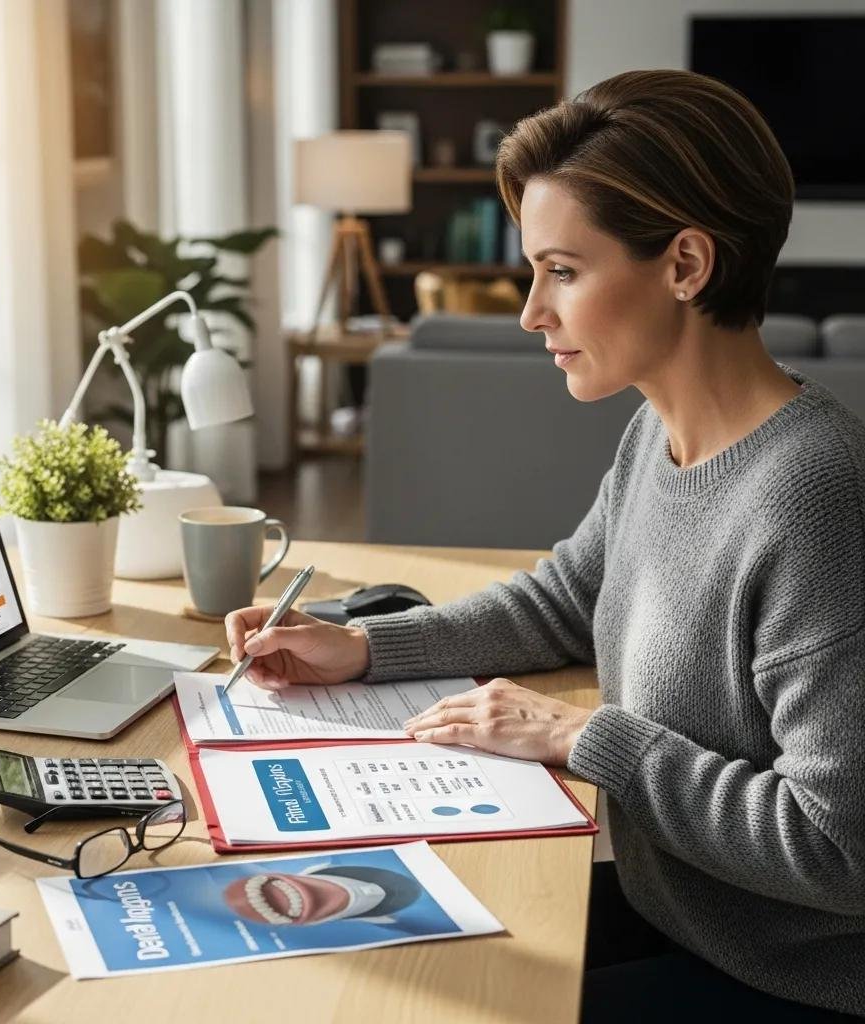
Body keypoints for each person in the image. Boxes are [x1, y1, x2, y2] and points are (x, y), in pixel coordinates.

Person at [225, 70, 864, 1021]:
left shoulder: (813, 495)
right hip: (680, 909)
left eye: (563, 271)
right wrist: (365, 648)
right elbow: (568, 597)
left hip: (786, 973)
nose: (531, 312)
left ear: (686, 266)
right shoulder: (661, 432)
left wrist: (579, 736)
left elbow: (839, 851)